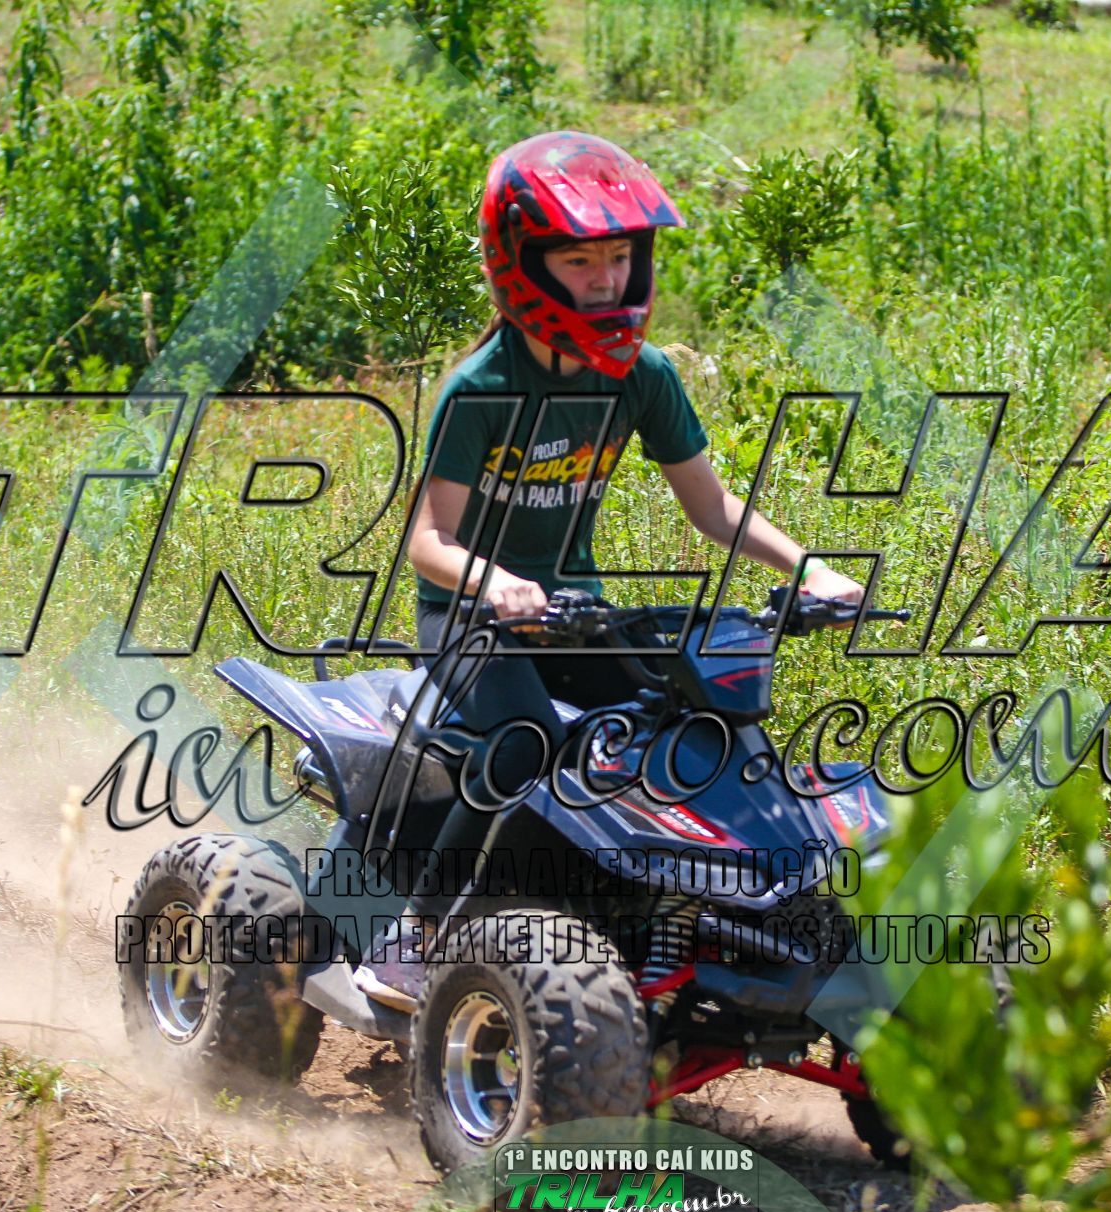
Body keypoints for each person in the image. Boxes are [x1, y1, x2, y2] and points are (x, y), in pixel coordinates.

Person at [354, 130, 864, 1012]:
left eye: (621, 258)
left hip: (575, 616)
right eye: (580, 259)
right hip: (469, 618)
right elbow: (429, 541)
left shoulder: (642, 376)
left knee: (692, 720)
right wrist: (497, 585)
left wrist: (811, 569)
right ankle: (418, 934)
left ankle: (712, 924)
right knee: (524, 744)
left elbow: (714, 507)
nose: (605, 280)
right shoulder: (481, 389)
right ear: (525, 266)